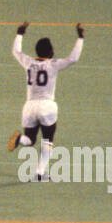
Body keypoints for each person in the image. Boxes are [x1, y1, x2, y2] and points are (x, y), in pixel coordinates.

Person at [7, 21, 85, 182]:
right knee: (48, 140)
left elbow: (16, 51)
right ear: (50, 52)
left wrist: (19, 34)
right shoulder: (53, 65)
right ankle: (40, 173)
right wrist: (80, 38)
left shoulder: (28, 62)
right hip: (47, 107)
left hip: (29, 107)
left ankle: (19, 139)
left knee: (30, 140)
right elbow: (73, 58)